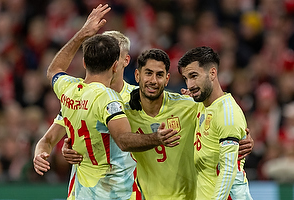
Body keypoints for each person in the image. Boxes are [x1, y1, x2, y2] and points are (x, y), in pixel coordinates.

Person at [63, 48, 254, 199]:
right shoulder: (123, 112)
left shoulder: (189, 106)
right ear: (137, 76)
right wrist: (72, 146)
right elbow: (90, 125)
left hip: (191, 196)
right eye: (148, 73)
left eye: (159, 74)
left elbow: (220, 113)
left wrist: (243, 139)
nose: (153, 80)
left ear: (167, 79)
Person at [33, 4, 180, 200]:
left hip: (124, 188)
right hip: (93, 191)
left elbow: (53, 71)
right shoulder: (94, 95)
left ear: (125, 60)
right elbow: (51, 138)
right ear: (113, 64)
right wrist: (67, 149)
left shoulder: (140, 96)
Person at [178, 46, 253, 199]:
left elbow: (227, 171)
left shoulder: (227, 113)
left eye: (194, 76)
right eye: (186, 78)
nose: (189, 85)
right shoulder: (201, 104)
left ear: (212, 73)